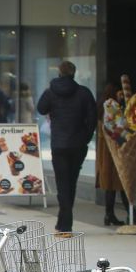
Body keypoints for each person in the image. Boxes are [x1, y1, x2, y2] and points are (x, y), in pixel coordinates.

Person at [37, 61, 96, 236]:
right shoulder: (84, 93)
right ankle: (64, 222)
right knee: (72, 181)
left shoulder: (51, 91)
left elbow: (41, 108)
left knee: (62, 183)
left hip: (59, 143)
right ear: (74, 73)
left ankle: (65, 223)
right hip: (78, 144)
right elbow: (93, 118)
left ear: (59, 73)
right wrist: (85, 137)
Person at [97, 83, 136, 227]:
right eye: (118, 92)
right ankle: (132, 215)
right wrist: (130, 135)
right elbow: (119, 126)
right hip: (116, 149)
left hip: (106, 151)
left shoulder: (103, 106)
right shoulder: (111, 105)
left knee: (111, 186)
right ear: (114, 92)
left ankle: (110, 215)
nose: (120, 94)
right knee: (125, 182)